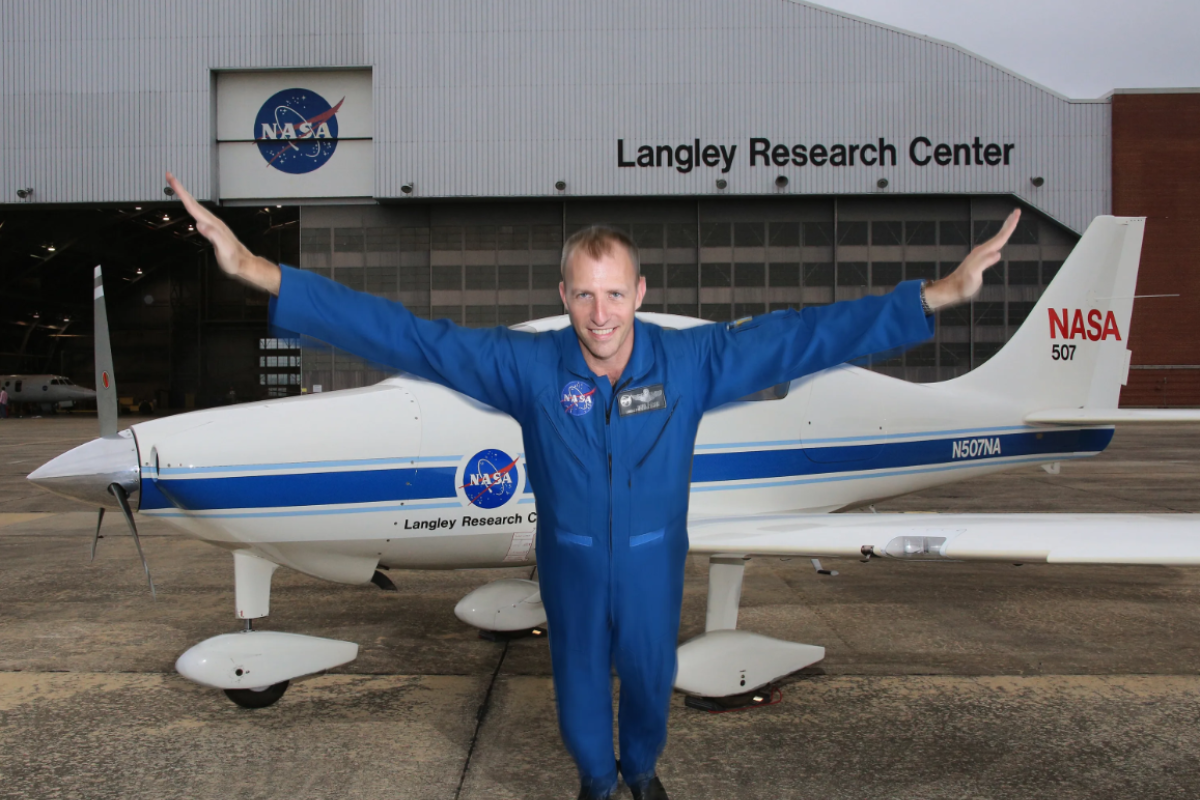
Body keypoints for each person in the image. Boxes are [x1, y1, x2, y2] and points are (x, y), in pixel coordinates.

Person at [166, 171, 1018, 800]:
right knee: (580, 709)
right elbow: (406, 337)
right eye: (585, 295)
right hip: (569, 565)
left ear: (639, 293)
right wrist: (258, 271)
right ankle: (598, 786)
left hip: (652, 564)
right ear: (564, 296)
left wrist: (937, 295)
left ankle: (641, 777)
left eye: (616, 294)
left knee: (647, 694)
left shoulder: (693, 362)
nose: (601, 313)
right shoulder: (527, 366)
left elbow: (803, 337)